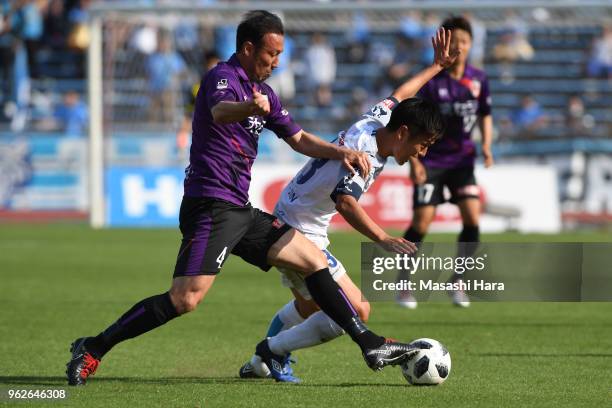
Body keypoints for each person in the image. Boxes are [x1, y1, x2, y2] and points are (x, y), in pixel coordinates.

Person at [65, 10, 422, 386]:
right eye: (272, 53)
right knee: (185, 300)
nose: (277, 61)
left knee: (313, 260)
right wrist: (249, 108)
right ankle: (93, 347)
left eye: (281, 54)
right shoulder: (222, 78)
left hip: (240, 209)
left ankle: (370, 343)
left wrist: (341, 153)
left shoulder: (266, 94)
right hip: (210, 206)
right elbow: (220, 112)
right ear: (249, 48)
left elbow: (299, 139)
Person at [238, 27, 457, 383]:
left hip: (297, 213)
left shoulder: (379, 121)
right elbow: (345, 202)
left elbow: (400, 94)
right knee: (356, 309)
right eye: (424, 144)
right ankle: (272, 352)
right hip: (298, 227)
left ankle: (264, 359)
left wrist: (436, 67)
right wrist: (384, 239)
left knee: (310, 307)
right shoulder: (366, 154)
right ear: (404, 133)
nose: (424, 153)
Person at [398, 16, 494, 309]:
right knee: (422, 222)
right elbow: (414, 121)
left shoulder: (479, 79)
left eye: (464, 42)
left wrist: (487, 145)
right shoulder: (432, 83)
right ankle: (403, 283)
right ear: (446, 46)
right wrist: (415, 162)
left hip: (463, 160)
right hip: (432, 160)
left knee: (472, 219)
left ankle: (458, 280)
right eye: (454, 42)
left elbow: (484, 114)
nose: (459, 47)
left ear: (471, 45)